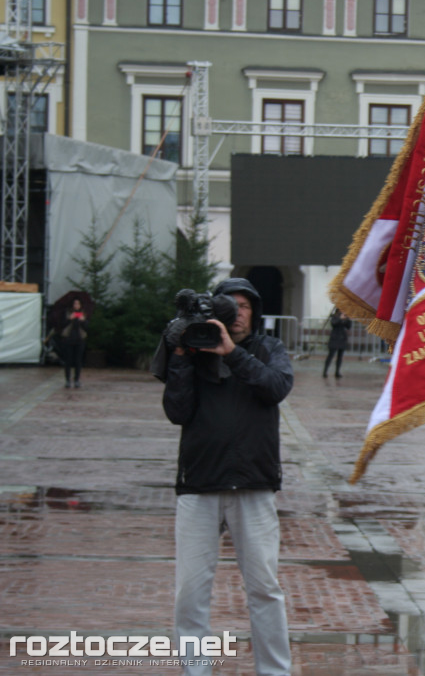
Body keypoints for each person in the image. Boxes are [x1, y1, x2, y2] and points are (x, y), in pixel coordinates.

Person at [161, 277, 293, 676]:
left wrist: (232, 353)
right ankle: (195, 670)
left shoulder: (269, 349)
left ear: (254, 312)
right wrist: (183, 356)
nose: (236, 313)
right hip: (199, 485)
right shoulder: (194, 352)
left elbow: (276, 386)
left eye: (244, 306)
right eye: (228, 305)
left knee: (264, 589)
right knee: (190, 592)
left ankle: (274, 671)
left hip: (253, 485)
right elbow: (177, 412)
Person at [59, 298, 88, 388]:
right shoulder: (67, 313)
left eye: (78, 304)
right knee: (68, 360)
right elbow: (62, 324)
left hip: (80, 339)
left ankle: (77, 380)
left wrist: (83, 321)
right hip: (68, 339)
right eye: (75, 304)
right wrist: (69, 319)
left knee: (78, 360)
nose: (76, 306)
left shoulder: (83, 314)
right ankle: (67, 380)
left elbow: (87, 327)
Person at [323, 307, 352, 378]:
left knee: (340, 356)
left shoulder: (345, 317)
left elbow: (349, 326)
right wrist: (340, 319)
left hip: (342, 338)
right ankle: (325, 371)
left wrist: (347, 318)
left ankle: (337, 372)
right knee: (331, 355)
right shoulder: (335, 316)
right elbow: (333, 323)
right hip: (334, 338)